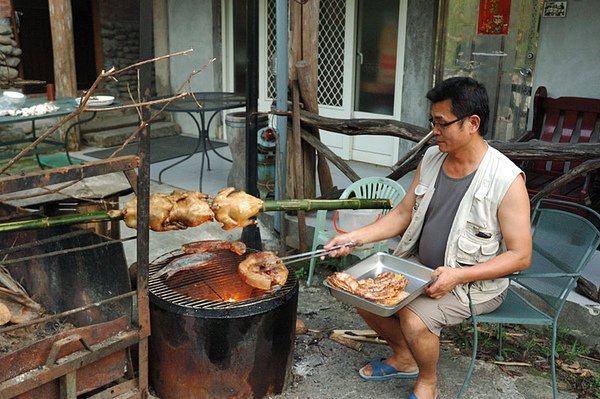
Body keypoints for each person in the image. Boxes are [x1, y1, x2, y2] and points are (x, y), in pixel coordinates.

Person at [323, 77, 532, 399]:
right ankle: (404, 357)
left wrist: (458, 275)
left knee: (413, 318)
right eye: (432, 122)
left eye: (441, 123)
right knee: (362, 295)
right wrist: (354, 238)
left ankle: (428, 381)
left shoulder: (506, 179)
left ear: (472, 123)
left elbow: (520, 256)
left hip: (473, 284)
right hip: (420, 267)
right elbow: (403, 214)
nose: (433, 131)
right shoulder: (433, 159)